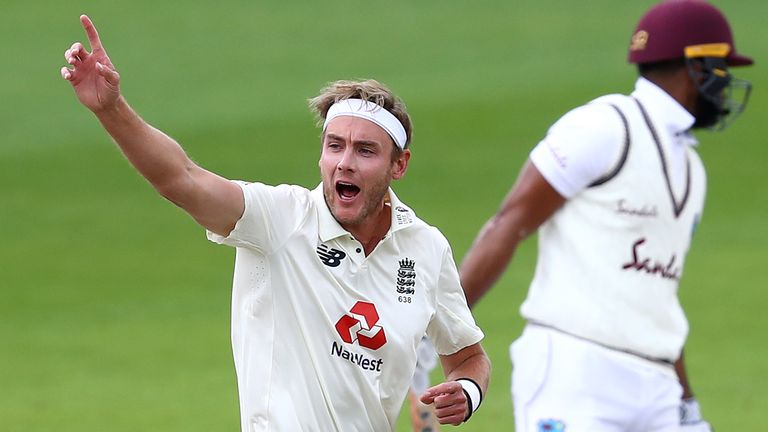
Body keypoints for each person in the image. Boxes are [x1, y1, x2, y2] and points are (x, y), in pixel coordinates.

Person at [61, 14, 490, 431]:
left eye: (365, 151)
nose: (344, 163)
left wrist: (468, 391)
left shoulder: (426, 248)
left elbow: (469, 356)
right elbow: (182, 179)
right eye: (334, 146)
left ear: (399, 165)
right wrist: (111, 109)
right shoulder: (279, 219)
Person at [458, 1, 752, 431]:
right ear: (696, 67)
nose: (726, 84)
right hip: (576, 371)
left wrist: (687, 405)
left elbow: (657, 293)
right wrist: (447, 328)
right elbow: (509, 223)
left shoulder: (692, 167)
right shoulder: (603, 127)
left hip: (658, 386)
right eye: (722, 68)